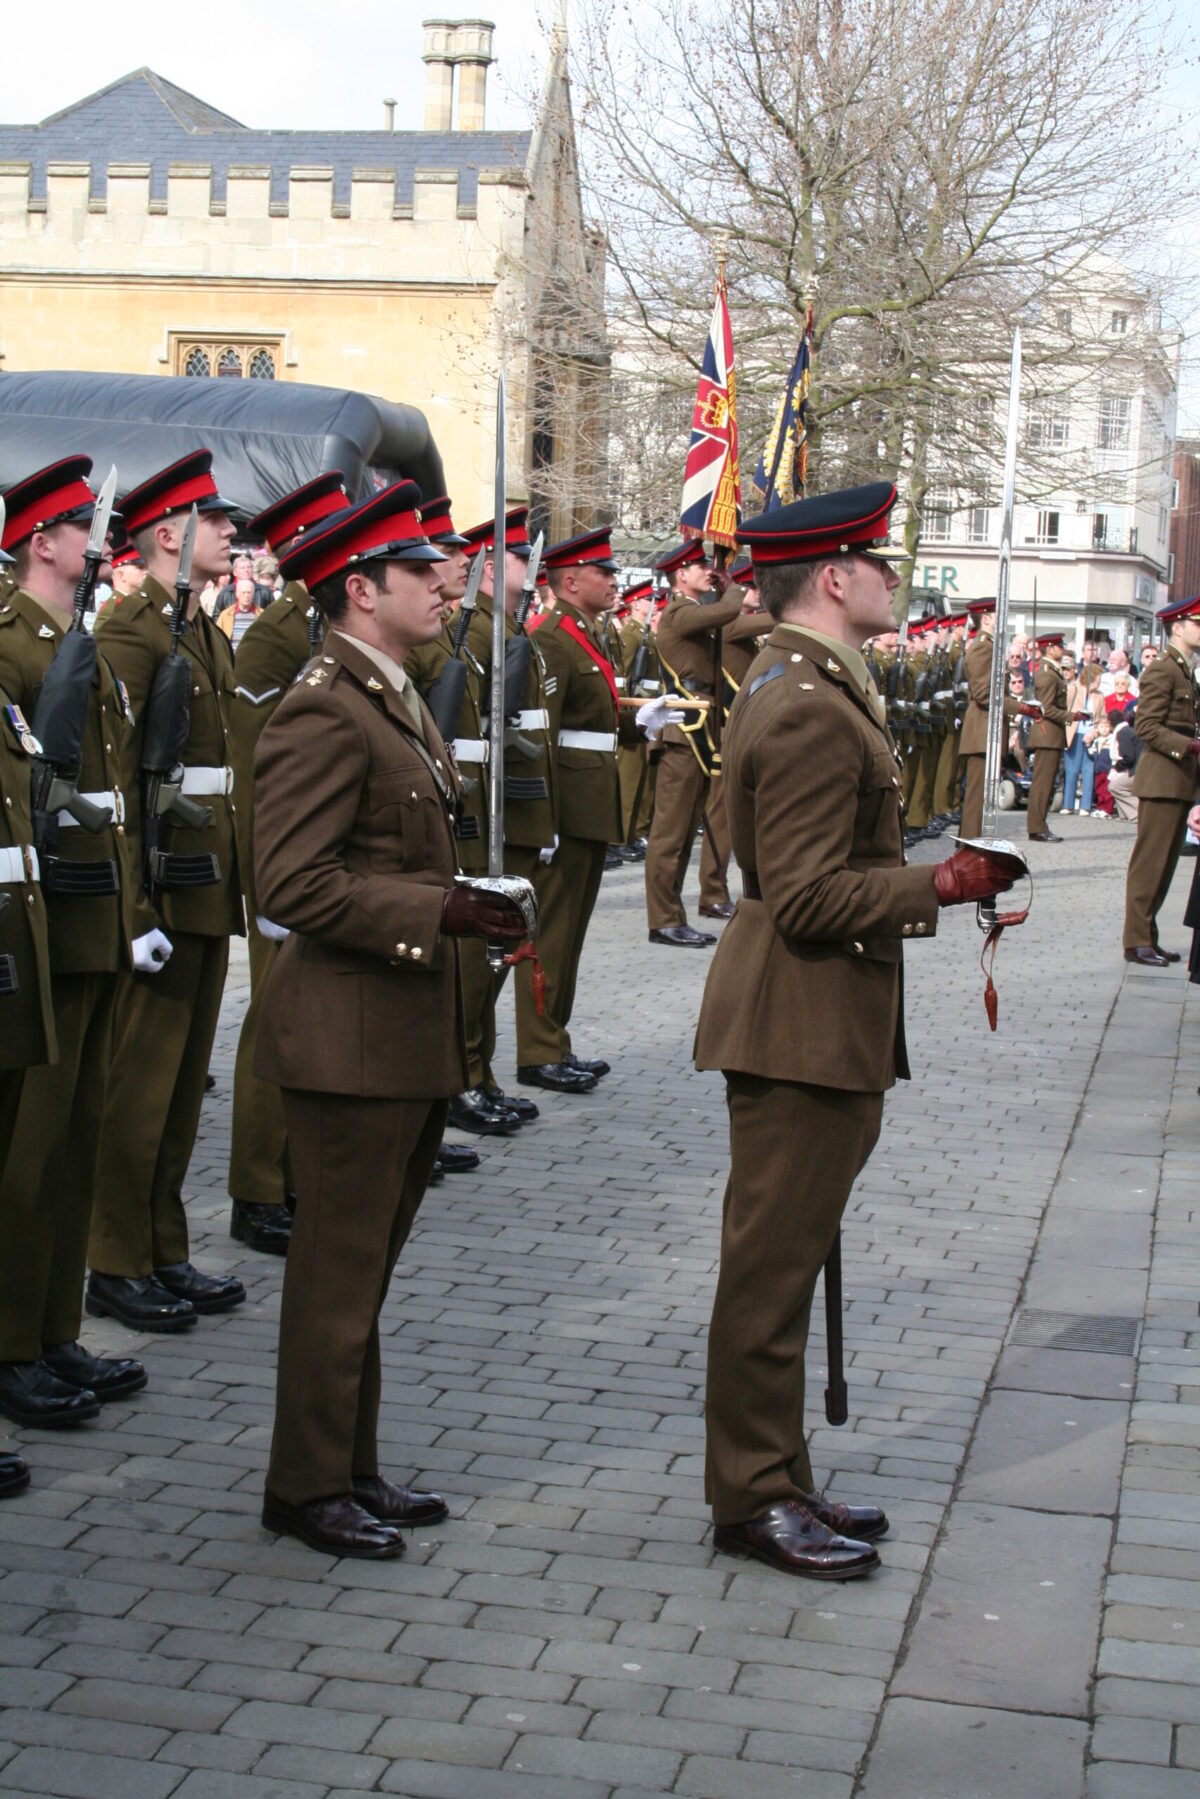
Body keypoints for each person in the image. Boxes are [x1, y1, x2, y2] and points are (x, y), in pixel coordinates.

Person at [693, 480, 1020, 1579]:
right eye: (880, 559)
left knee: (787, 1259)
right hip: (795, 1016)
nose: (896, 575)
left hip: (818, 1016)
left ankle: (777, 1475)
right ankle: (749, 1494)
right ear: (834, 577)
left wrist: (934, 883)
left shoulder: (817, 682)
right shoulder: (800, 701)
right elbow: (801, 894)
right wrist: (940, 880)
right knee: (770, 1270)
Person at [251, 481, 531, 1559]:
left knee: (364, 1272)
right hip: (347, 1038)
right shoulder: (326, 703)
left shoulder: (391, 692)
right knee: (335, 1273)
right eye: (420, 571)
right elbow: (290, 883)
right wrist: (441, 909)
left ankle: (350, 1465)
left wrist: (471, 902)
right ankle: (305, 1481)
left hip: (397, 1033)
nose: (444, 579)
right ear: (360, 591)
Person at [0, 458, 155, 1432]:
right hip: (46, 914)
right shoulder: (15, 644)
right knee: (28, 1148)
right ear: (43, 542)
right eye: (78, 529)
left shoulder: (82, 640)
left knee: (71, 1142)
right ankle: (15, 1339)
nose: (96, 545)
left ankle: (54, 1325)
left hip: (95, 907)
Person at [86, 451, 247, 1331]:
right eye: (217, 521)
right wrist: (134, 907)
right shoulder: (132, 631)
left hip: (204, 880)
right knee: (138, 1084)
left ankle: (161, 1242)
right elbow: (113, 775)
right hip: (159, 885)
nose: (233, 533)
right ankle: (112, 1256)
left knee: (184, 1083)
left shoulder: (203, 628)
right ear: (165, 535)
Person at [225, 472, 351, 1256]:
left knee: (307, 1025)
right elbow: (252, 760)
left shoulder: (323, 626)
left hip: (321, 858)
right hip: (285, 861)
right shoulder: (278, 634)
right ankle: (256, 1186)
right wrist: (267, 872)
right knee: (271, 1025)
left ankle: (295, 1173)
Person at [512, 527, 632, 1083]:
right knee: (552, 932)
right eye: (603, 572)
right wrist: (545, 818)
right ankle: (538, 1049)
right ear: (570, 580)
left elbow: (593, 721)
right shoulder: (552, 637)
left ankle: (554, 1040)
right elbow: (543, 735)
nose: (613, 581)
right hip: (565, 808)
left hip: (589, 805)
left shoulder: (585, 632)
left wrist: (638, 720)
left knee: (572, 933)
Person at [644, 541, 743, 946]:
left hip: (700, 728)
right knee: (670, 833)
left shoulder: (695, 613)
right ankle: (662, 919)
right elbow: (729, 611)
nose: (709, 569)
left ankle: (674, 916)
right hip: (683, 733)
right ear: (679, 575)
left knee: (685, 834)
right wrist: (731, 585)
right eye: (700, 565)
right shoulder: (679, 612)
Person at [1123, 594, 1200, 966]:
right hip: (1162, 780)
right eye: (1196, 624)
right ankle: (1136, 940)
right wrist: (1190, 746)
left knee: (1164, 868)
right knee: (1149, 865)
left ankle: (1147, 938)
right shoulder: (1163, 670)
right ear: (1178, 627)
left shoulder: (1183, 669)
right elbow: (1146, 725)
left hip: (1178, 781)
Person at [697, 556, 768, 918]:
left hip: (741, 726)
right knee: (722, 817)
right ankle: (711, 891)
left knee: (737, 816)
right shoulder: (732, 625)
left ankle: (721, 889)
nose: (757, 593)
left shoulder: (743, 624)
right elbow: (780, 618)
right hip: (725, 729)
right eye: (750, 586)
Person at [958, 598, 1037, 838]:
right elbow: (984, 694)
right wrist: (1021, 708)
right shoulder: (983, 647)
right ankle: (969, 847)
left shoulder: (990, 646)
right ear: (987, 619)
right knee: (977, 797)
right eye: (998, 615)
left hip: (987, 730)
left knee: (981, 796)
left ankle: (972, 843)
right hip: (982, 730)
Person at [1026, 633, 1069, 842]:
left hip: (1052, 735)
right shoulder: (1047, 674)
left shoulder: (1052, 672)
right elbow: (1046, 708)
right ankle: (1037, 827)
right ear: (1049, 649)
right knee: (1042, 783)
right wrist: (1071, 716)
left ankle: (1039, 825)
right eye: (1060, 645)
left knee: (1046, 782)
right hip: (1047, 734)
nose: (1063, 648)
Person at [217, 574, 264, 650]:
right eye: (243, 592)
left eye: (249, 593)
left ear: (253, 594)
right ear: (237, 594)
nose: (246, 596)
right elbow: (217, 639)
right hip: (231, 659)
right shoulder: (225, 615)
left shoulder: (262, 615)